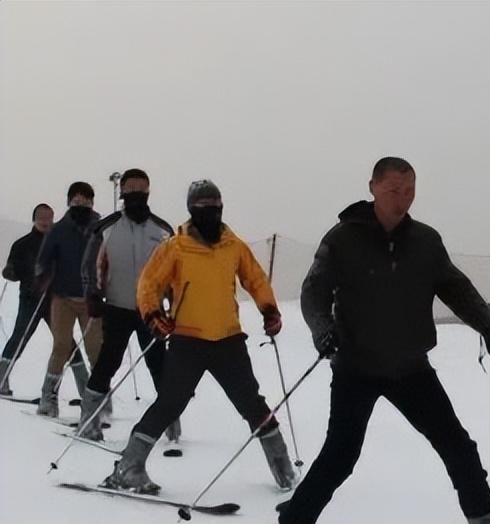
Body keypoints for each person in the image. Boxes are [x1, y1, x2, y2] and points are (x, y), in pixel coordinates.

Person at [253, 156, 490, 524]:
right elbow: (313, 292)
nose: (402, 198)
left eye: (409, 190)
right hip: (357, 365)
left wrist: (487, 326)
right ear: (372, 187)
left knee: (457, 445)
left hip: (411, 366)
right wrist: (323, 331)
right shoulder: (343, 239)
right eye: (393, 189)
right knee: (341, 455)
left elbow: (455, 286)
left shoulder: (426, 242)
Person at [102, 179, 294, 494]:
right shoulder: (175, 246)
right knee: (169, 404)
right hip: (187, 340)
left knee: (252, 404)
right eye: (203, 208)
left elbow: (255, 279)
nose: (210, 213)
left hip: (228, 340)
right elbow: (148, 284)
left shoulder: (234, 246)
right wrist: (153, 315)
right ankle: (129, 467)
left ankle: (284, 471)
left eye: (215, 207)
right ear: (192, 209)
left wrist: (269, 310)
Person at [78, 169, 176, 441]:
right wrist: (93, 295)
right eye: (129, 188)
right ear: (122, 192)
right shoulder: (106, 227)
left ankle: (170, 423)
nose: (135, 193)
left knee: (160, 366)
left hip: (152, 311)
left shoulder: (164, 231)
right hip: (117, 306)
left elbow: (173, 272)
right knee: (107, 363)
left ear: (148, 191)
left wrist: (175, 303)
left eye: (140, 188)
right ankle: (89, 421)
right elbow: (90, 264)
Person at [32, 183, 101, 415]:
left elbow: (108, 260)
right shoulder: (58, 230)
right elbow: (44, 258)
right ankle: (48, 397)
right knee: (61, 346)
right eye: (76, 202)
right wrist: (42, 278)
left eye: (86, 202)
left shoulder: (101, 228)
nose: (81, 205)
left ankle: (98, 399)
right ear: (70, 202)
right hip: (62, 298)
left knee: (96, 350)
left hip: (90, 299)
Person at [0, 203, 57, 396]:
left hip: (54, 301)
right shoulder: (22, 244)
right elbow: (13, 269)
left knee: (65, 343)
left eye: (48, 217)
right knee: (19, 338)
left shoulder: (58, 244)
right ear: (34, 219)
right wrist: (10, 271)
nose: (45, 221)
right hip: (30, 298)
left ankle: (84, 389)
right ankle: (1, 379)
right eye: (41, 217)